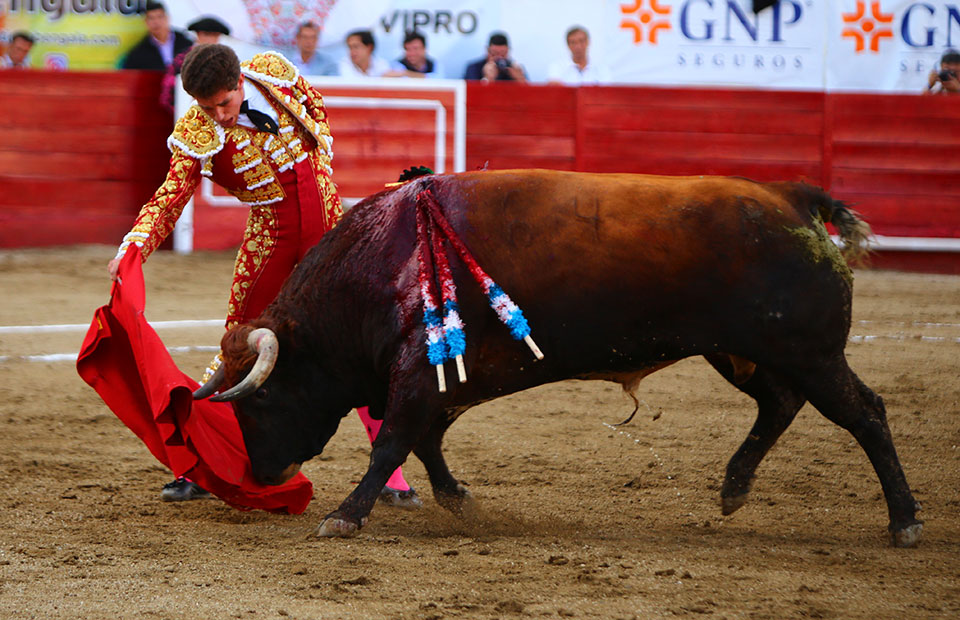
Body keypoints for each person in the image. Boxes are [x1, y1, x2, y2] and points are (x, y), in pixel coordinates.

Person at [107, 44, 420, 508]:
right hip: (270, 239)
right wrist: (134, 246)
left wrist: (320, 166)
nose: (218, 116)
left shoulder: (274, 73)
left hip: (330, 235)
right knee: (237, 349)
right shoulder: (197, 131)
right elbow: (170, 197)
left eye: (224, 104)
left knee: (354, 348)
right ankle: (197, 464)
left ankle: (389, 473)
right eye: (206, 107)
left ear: (239, 83)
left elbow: (314, 104)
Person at [159, 16, 232, 113]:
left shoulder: (225, 61)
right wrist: (183, 113)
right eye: (206, 34)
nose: (210, 39)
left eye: (214, 35)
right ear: (198, 34)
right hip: (187, 114)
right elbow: (167, 94)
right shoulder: (182, 59)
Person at [120, 1, 192, 71]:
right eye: (151, 18)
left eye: (159, 17)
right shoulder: (139, 53)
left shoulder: (185, 43)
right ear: (146, 22)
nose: (156, 22)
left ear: (167, 18)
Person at [547, 26, 612, 86]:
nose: (578, 46)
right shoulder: (557, 67)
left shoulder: (601, 68)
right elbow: (555, 90)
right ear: (568, 45)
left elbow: (606, 93)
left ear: (588, 42)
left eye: (581, 41)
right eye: (573, 42)